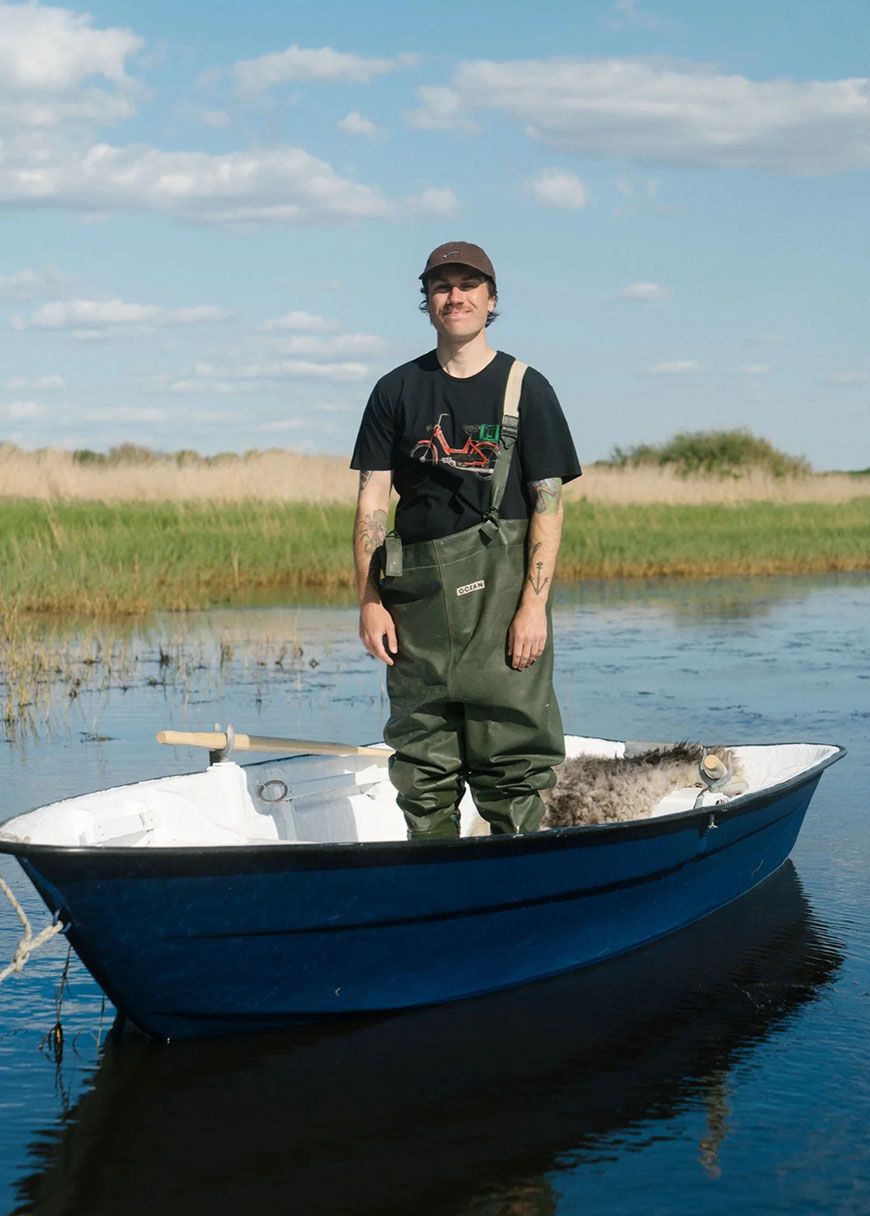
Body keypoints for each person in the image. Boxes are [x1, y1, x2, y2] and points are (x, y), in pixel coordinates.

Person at [351, 241, 581, 839]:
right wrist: (370, 600)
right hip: (416, 601)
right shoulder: (395, 390)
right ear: (427, 301)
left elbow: (548, 506)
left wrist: (533, 607)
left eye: (468, 285)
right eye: (441, 286)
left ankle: (521, 876)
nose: (455, 297)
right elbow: (372, 502)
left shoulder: (527, 388)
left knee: (512, 760)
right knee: (421, 763)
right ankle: (433, 876)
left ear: (491, 299)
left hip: (503, 599)